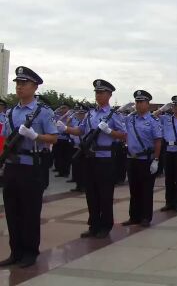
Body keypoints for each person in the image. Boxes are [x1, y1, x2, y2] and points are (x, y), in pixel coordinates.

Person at [0, 66, 58, 268]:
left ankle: (30, 252)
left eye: (24, 83)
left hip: (31, 167)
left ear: (34, 87)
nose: (19, 87)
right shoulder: (11, 112)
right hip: (12, 167)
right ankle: (16, 252)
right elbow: (6, 140)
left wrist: (36, 136)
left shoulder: (43, 112)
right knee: (12, 211)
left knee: (30, 212)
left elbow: (53, 137)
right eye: (17, 83)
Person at [59, 79, 127, 239]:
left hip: (105, 158)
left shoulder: (113, 114)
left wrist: (109, 131)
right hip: (89, 158)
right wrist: (66, 128)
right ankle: (94, 224)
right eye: (96, 92)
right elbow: (81, 130)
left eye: (101, 92)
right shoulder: (91, 113)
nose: (98, 95)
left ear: (109, 95)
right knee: (91, 193)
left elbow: (124, 135)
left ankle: (105, 225)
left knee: (105, 194)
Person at [122, 90, 163, 227]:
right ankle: (134, 216)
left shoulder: (153, 121)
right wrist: (121, 109)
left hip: (146, 159)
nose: (138, 105)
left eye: (141, 102)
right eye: (137, 102)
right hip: (131, 158)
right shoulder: (130, 119)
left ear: (147, 104)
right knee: (134, 190)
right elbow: (116, 121)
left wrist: (156, 160)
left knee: (146, 190)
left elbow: (158, 141)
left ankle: (146, 217)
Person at [154, 96, 177, 213]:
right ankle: (169, 202)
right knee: (169, 178)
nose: (175, 107)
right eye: (174, 105)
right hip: (168, 151)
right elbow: (152, 117)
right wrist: (162, 109)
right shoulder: (166, 118)